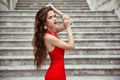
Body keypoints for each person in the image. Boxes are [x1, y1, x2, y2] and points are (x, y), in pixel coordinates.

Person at [32, 4, 74, 80]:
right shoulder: (48, 37)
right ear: (45, 22)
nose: (54, 19)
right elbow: (71, 46)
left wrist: (56, 11)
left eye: (55, 16)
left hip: (59, 72)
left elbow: (69, 21)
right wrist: (68, 27)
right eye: (50, 18)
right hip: (55, 74)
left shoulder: (52, 31)